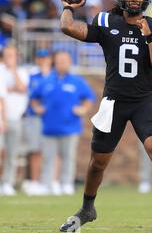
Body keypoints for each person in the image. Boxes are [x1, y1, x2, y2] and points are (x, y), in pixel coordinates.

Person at [58, 0, 152, 233]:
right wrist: (67, 7)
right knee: (98, 161)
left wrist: (149, 36)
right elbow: (68, 27)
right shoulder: (107, 21)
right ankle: (87, 208)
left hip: (143, 101)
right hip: (113, 101)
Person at [31, 51, 95, 195]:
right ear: (55, 62)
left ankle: (66, 184)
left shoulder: (77, 81)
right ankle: (47, 184)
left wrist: (83, 109)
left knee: (68, 157)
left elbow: (89, 97)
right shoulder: (46, 80)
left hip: (70, 127)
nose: (62, 63)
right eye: (59, 61)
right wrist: (37, 108)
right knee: (48, 158)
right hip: (49, 127)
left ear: (69, 62)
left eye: (65, 61)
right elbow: (34, 97)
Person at [22, 48, 53, 195]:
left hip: (51, 118)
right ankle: (34, 181)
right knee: (35, 150)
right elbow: (32, 95)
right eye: (41, 58)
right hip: (35, 117)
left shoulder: (54, 76)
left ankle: (48, 181)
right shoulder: (33, 77)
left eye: (45, 58)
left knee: (50, 151)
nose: (43, 61)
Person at [0, 44, 28, 196]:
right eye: (7, 55)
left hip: (15, 118)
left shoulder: (22, 72)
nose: (9, 58)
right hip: (0, 119)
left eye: (12, 55)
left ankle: (7, 183)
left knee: (11, 154)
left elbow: (22, 87)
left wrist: (13, 70)